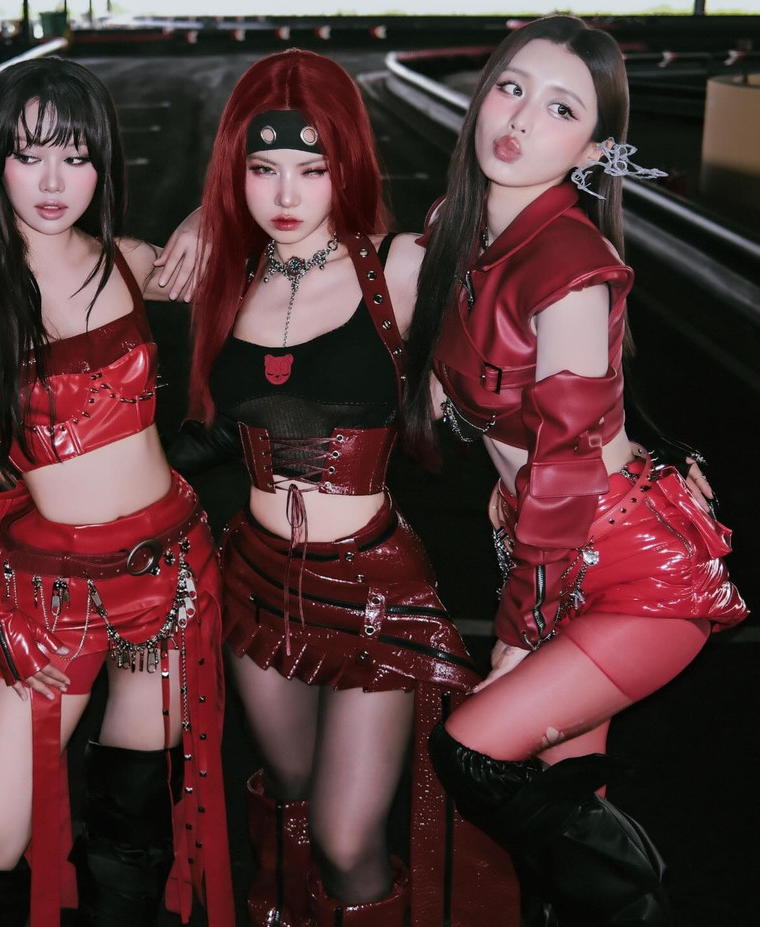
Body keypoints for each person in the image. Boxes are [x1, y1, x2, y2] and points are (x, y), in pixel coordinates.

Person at [408, 15, 749, 925]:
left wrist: (521, 627)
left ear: (595, 148)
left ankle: (643, 895)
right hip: (558, 556)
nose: (522, 119)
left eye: (562, 108)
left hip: (630, 572)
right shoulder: (459, 227)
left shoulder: (571, 263)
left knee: (473, 753)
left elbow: (564, 463)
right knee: (565, 809)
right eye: (512, 88)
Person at [0, 57, 234, 927]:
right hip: (50, 598)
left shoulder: (133, 262)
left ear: (102, 164)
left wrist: (210, 212)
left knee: (134, 818)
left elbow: (276, 239)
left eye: (75, 157)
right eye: (29, 154)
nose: (52, 181)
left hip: (167, 574)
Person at [173, 49, 516, 927]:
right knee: (287, 797)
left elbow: (524, 311)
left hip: (373, 591)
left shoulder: (399, 266)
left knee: (345, 835)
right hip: (255, 582)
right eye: (262, 169)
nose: (285, 194)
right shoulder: (230, 273)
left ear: (348, 166)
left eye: (313, 168)